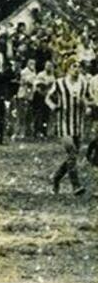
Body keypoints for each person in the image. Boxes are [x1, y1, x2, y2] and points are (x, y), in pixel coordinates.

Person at [46, 58, 90, 195]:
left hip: (77, 123)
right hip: (63, 122)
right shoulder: (59, 83)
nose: (77, 69)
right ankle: (76, 186)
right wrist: (53, 106)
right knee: (71, 152)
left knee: (73, 156)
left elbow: (86, 98)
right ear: (68, 68)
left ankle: (56, 177)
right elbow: (47, 98)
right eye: (74, 66)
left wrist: (87, 106)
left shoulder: (83, 83)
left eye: (78, 66)